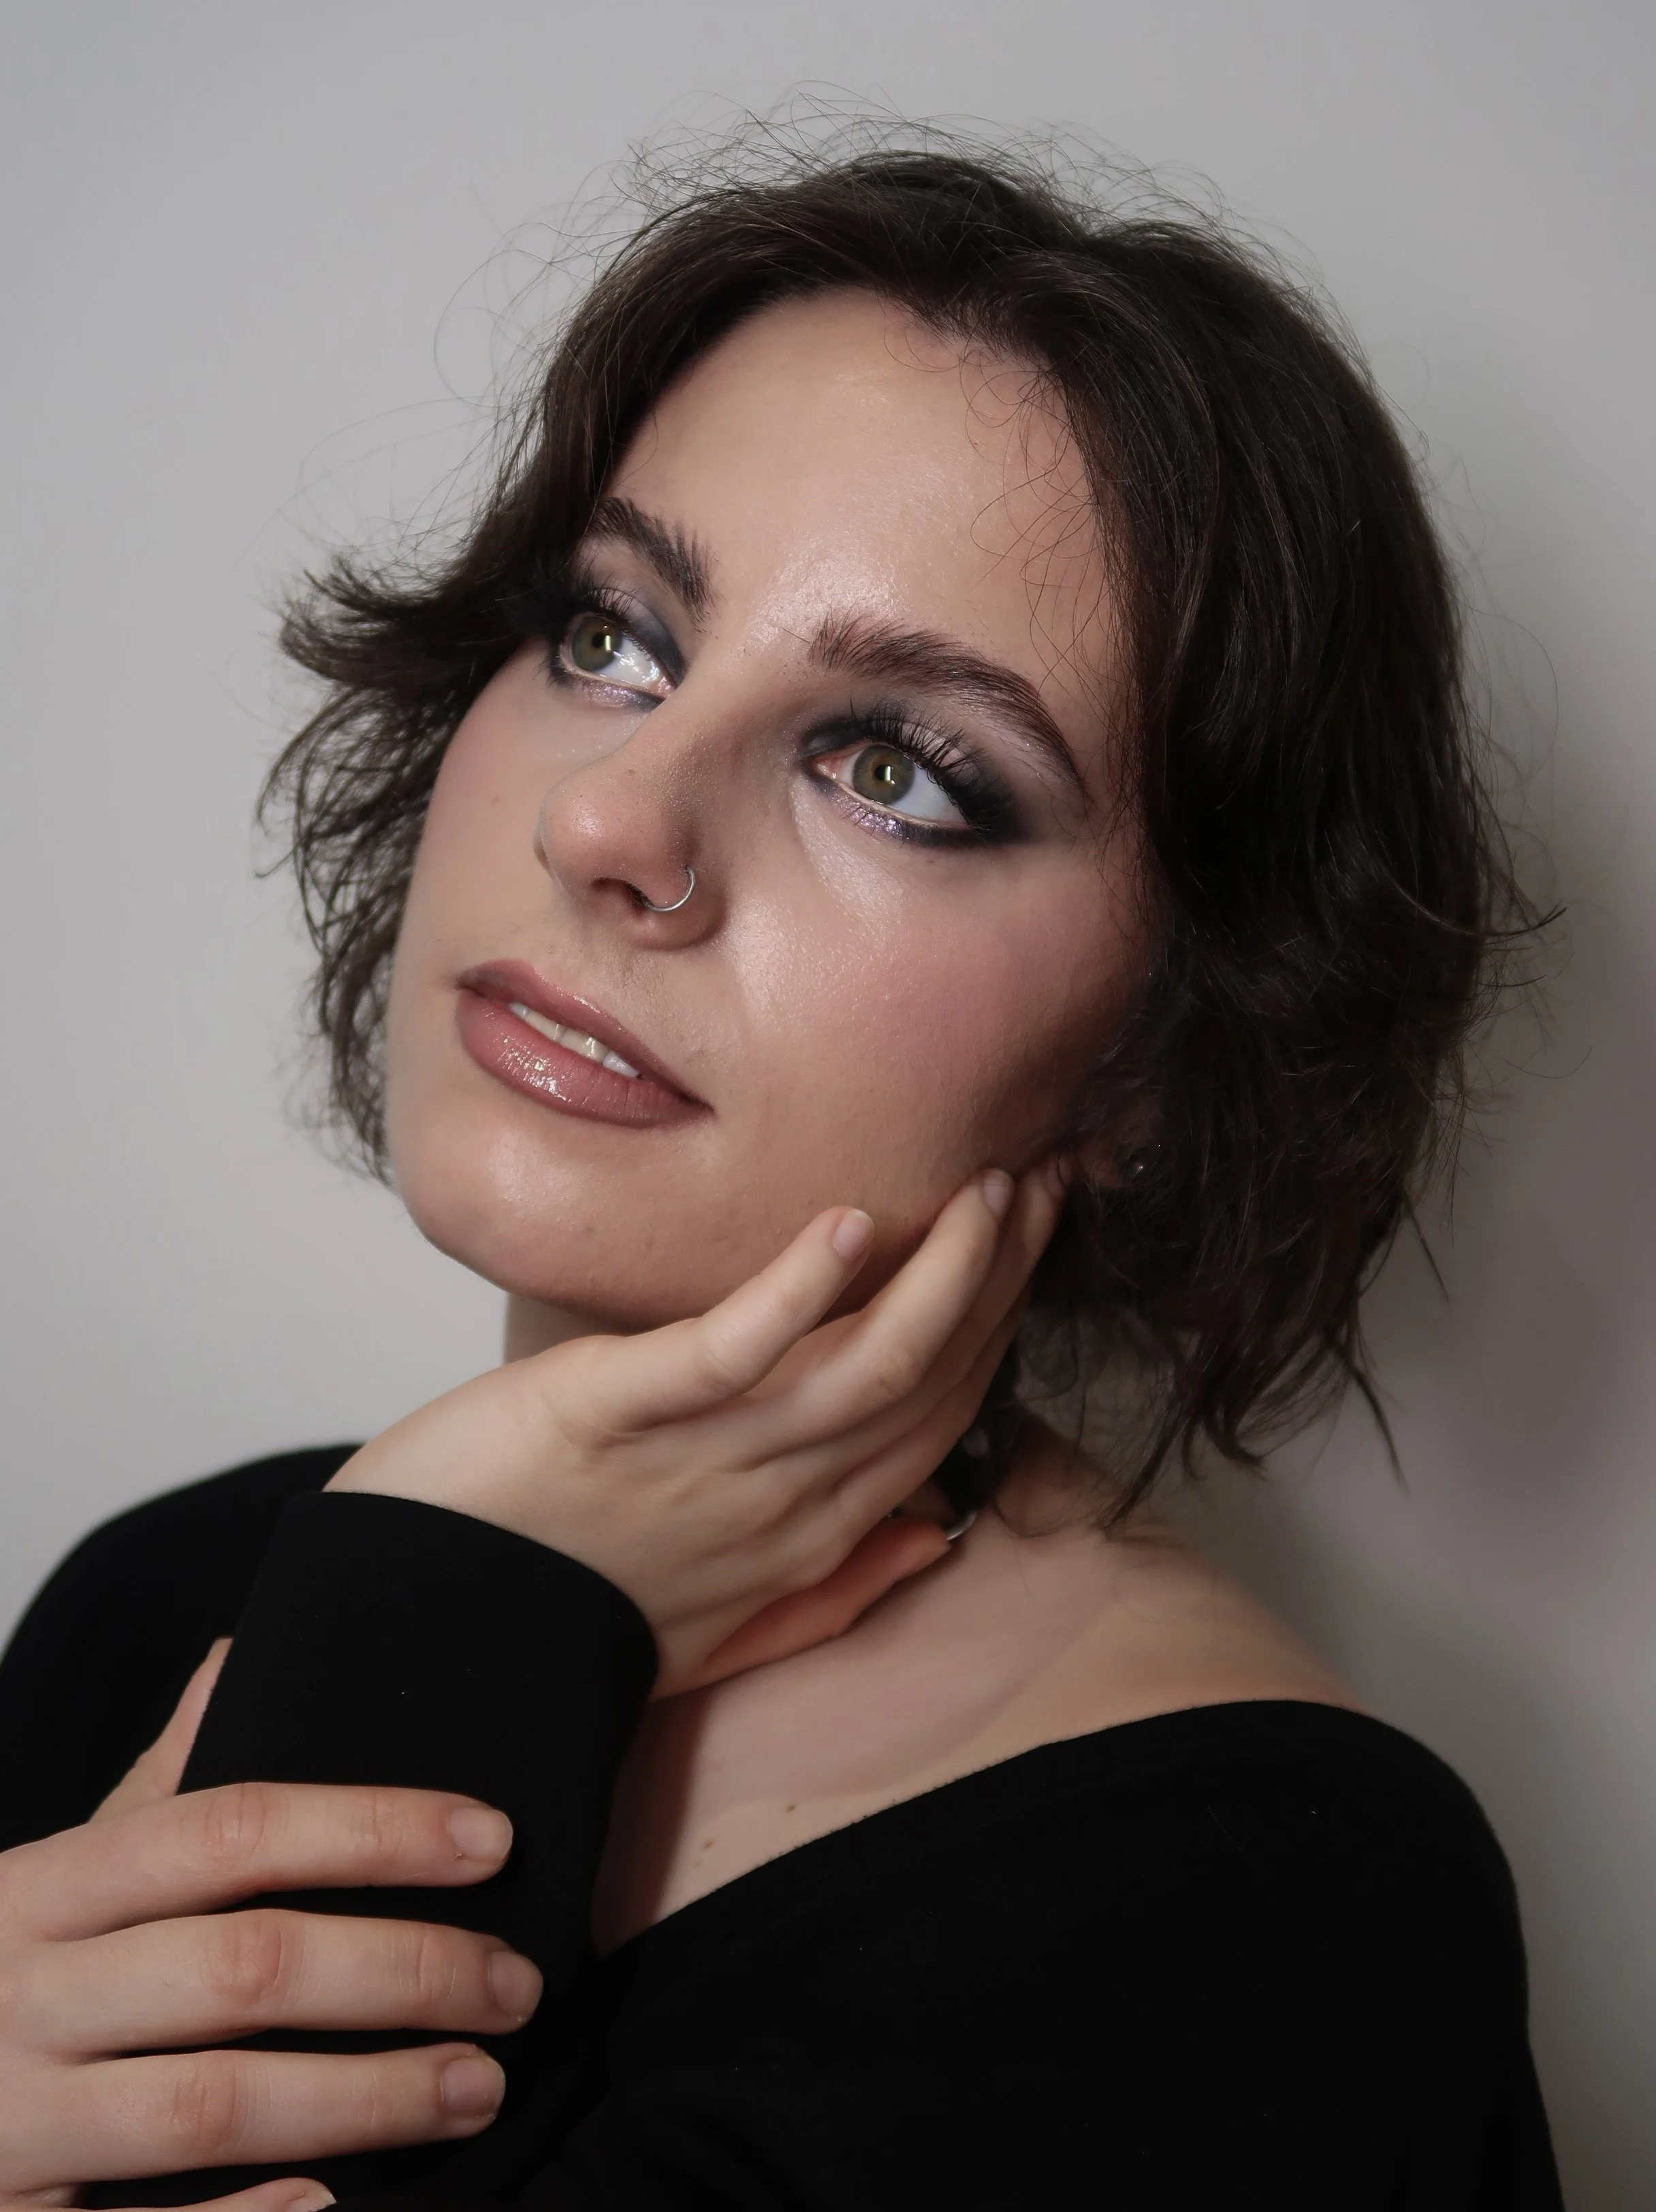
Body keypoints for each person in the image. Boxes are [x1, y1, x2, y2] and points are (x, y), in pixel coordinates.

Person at [0, 133, 1563, 2207]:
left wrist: (444, 1606)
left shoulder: (1276, 1922)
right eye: (614, 635)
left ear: (1163, 1052)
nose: (609, 822)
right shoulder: (165, 1599)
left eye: (896, 769)